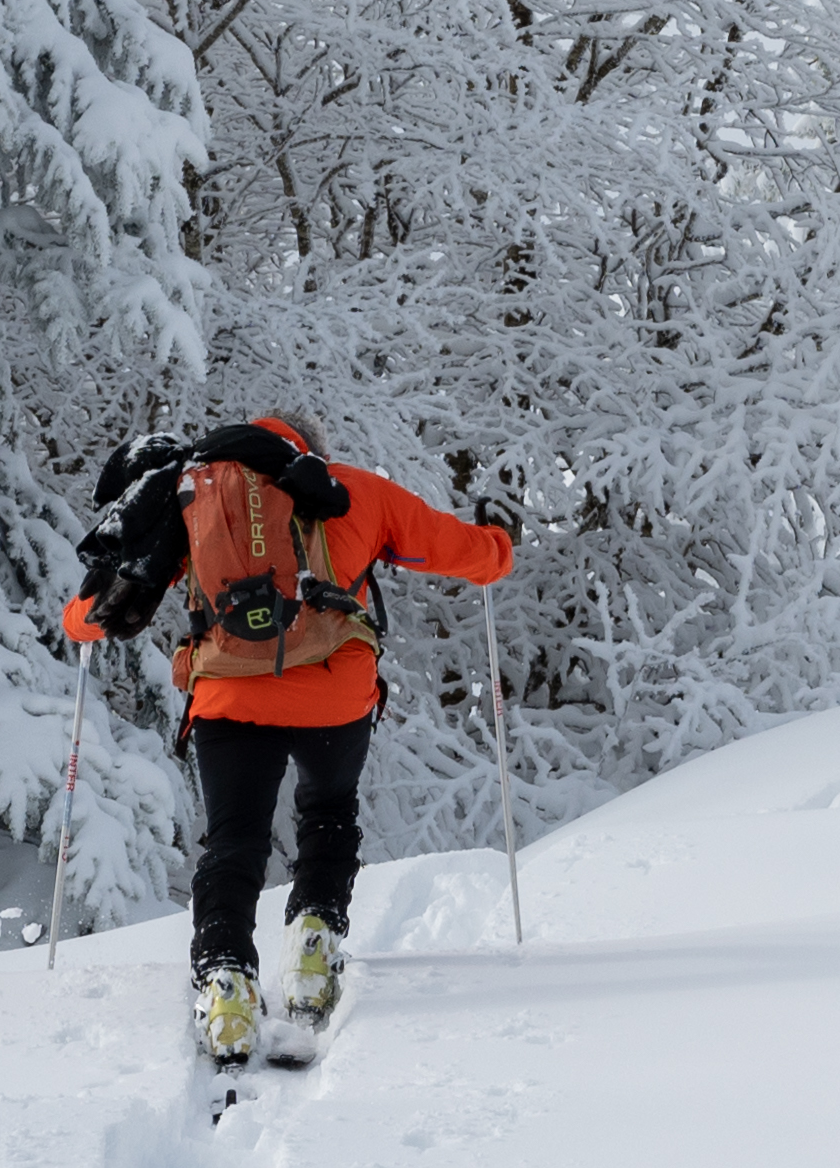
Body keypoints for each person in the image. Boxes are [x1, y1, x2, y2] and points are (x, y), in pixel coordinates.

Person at [61, 417, 517, 1065]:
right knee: (329, 813)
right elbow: (459, 552)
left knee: (233, 839)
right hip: (334, 693)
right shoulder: (350, 488)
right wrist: (500, 544)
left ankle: (224, 978)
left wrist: (76, 624)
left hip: (228, 696)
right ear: (310, 450)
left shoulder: (194, 492)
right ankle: (313, 941)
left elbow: (108, 599)